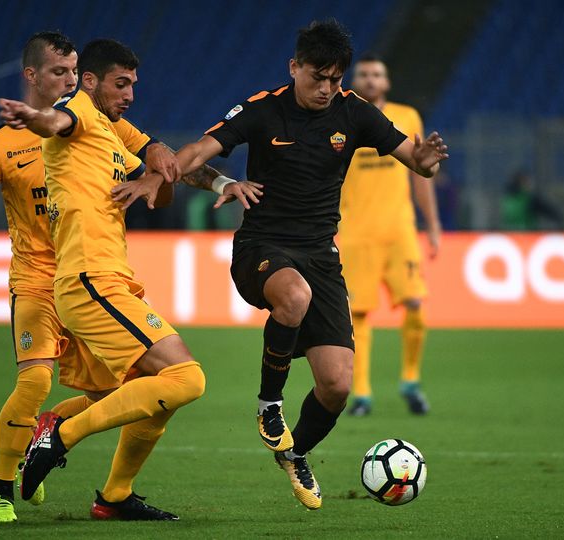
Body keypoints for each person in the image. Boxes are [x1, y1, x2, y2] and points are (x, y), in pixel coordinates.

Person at [113, 19, 448, 510]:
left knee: (336, 385)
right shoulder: (262, 110)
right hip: (261, 247)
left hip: (321, 256)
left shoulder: (355, 114)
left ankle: (297, 453)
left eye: (335, 79)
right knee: (293, 295)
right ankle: (270, 406)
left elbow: (418, 164)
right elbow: (198, 151)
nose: (327, 89)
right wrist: (154, 178)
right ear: (295, 68)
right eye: (318, 77)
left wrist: (426, 160)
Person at [0, 38, 262, 521]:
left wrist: (220, 182)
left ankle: (113, 495)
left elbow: (167, 162)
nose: (130, 94)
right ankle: (59, 436)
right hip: (88, 279)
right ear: (91, 81)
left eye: (134, 84)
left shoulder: (113, 127)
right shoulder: (75, 110)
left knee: (155, 391)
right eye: (121, 84)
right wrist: (31, 118)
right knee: (188, 378)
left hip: (110, 278)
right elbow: (54, 121)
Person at [0, 31, 189, 523]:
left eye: (74, 72)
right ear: (31, 76)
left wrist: (165, 158)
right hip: (37, 280)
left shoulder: (99, 121)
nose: (69, 80)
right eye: (59, 72)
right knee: (35, 379)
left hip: (87, 279)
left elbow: (152, 150)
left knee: (113, 397)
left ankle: (54, 433)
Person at [339, 54, 441, 417]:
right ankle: (362, 393)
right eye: (363, 74)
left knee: (415, 305)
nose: (370, 79)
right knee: (358, 314)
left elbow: (421, 174)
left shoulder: (408, 115)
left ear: (386, 82)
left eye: (377, 74)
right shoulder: (341, 115)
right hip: (355, 232)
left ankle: (411, 380)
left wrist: (432, 226)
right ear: (355, 80)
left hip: (400, 230)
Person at [500, 170, 564, 230]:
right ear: (522, 182)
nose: (529, 184)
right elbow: (548, 211)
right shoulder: (529, 199)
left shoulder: (506, 199)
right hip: (527, 236)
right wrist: (561, 220)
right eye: (527, 181)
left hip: (509, 236)